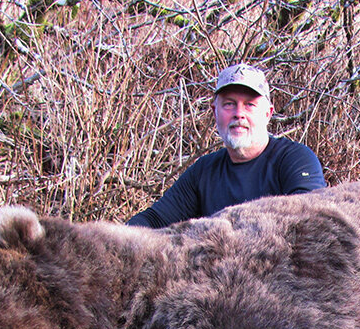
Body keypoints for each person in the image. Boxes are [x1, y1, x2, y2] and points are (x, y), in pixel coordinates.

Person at [127, 64, 327, 228]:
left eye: (249, 104)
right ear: (215, 111)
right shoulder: (204, 171)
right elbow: (155, 219)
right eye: (229, 104)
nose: (239, 114)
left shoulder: (296, 160)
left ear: (268, 113)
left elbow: (309, 221)